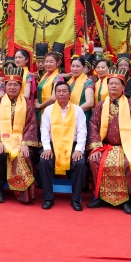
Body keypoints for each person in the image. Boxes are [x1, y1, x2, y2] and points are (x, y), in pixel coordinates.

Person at [87, 69, 131, 214]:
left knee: (128, 163)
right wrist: (95, 147)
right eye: (111, 84)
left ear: (123, 87)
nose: (113, 86)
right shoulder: (101, 105)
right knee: (95, 160)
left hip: (125, 147)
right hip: (105, 146)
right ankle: (101, 197)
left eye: (117, 84)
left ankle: (126, 200)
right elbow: (93, 125)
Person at [0, 67, 39, 204]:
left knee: (24, 155)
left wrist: (25, 143)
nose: (12, 87)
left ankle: (24, 192)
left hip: (21, 142)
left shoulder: (27, 104)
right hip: (1, 141)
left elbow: (32, 125)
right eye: (9, 84)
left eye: (16, 85)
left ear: (21, 87)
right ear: (5, 86)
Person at [40, 81, 87, 211]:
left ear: (69, 94)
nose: (61, 94)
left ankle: (76, 199)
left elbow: (82, 132)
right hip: (53, 145)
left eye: (64, 91)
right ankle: (48, 198)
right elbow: (44, 130)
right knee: (44, 161)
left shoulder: (78, 110)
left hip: (72, 145)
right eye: (58, 91)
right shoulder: (49, 110)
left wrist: (79, 150)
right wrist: (47, 148)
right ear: (55, 94)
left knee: (80, 163)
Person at [35, 52, 64, 122]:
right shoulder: (45, 76)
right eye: (46, 61)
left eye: (51, 62)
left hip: (51, 110)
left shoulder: (57, 78)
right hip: (41, 109)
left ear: (57, 63)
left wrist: (40, 105)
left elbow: (54, 97)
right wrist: (36, 102)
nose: (48, 64)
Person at [67, 56, 95, 126]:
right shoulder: (70, 82)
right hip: (68, 115)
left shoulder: (87, 82)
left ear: (84, 67)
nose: (75, 69)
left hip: (82, 116)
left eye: (78, 66)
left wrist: (74, 112)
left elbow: (90, 103)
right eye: (73, 66)